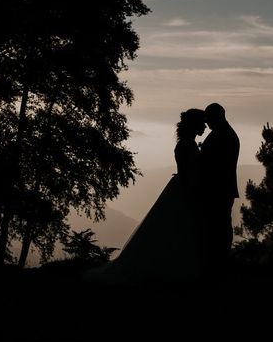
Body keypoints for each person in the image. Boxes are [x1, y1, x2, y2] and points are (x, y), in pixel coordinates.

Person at [82, 109, 207, 285]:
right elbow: (188, 172)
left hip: (181, 187)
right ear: (194, 125)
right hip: (185, 188)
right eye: (202, 123)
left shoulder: (187, 143)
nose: (205, 126)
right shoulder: (187, 145)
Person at [198, 103, 240, 273]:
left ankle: (218, 263)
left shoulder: (223, 135)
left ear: (217, 116)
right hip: (221, 189)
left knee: (219, 227)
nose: (206, 123)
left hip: (218, 190)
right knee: (220, 226)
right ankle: (219, 261)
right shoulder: (224, 133)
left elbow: (214, 164)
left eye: (208, 118)